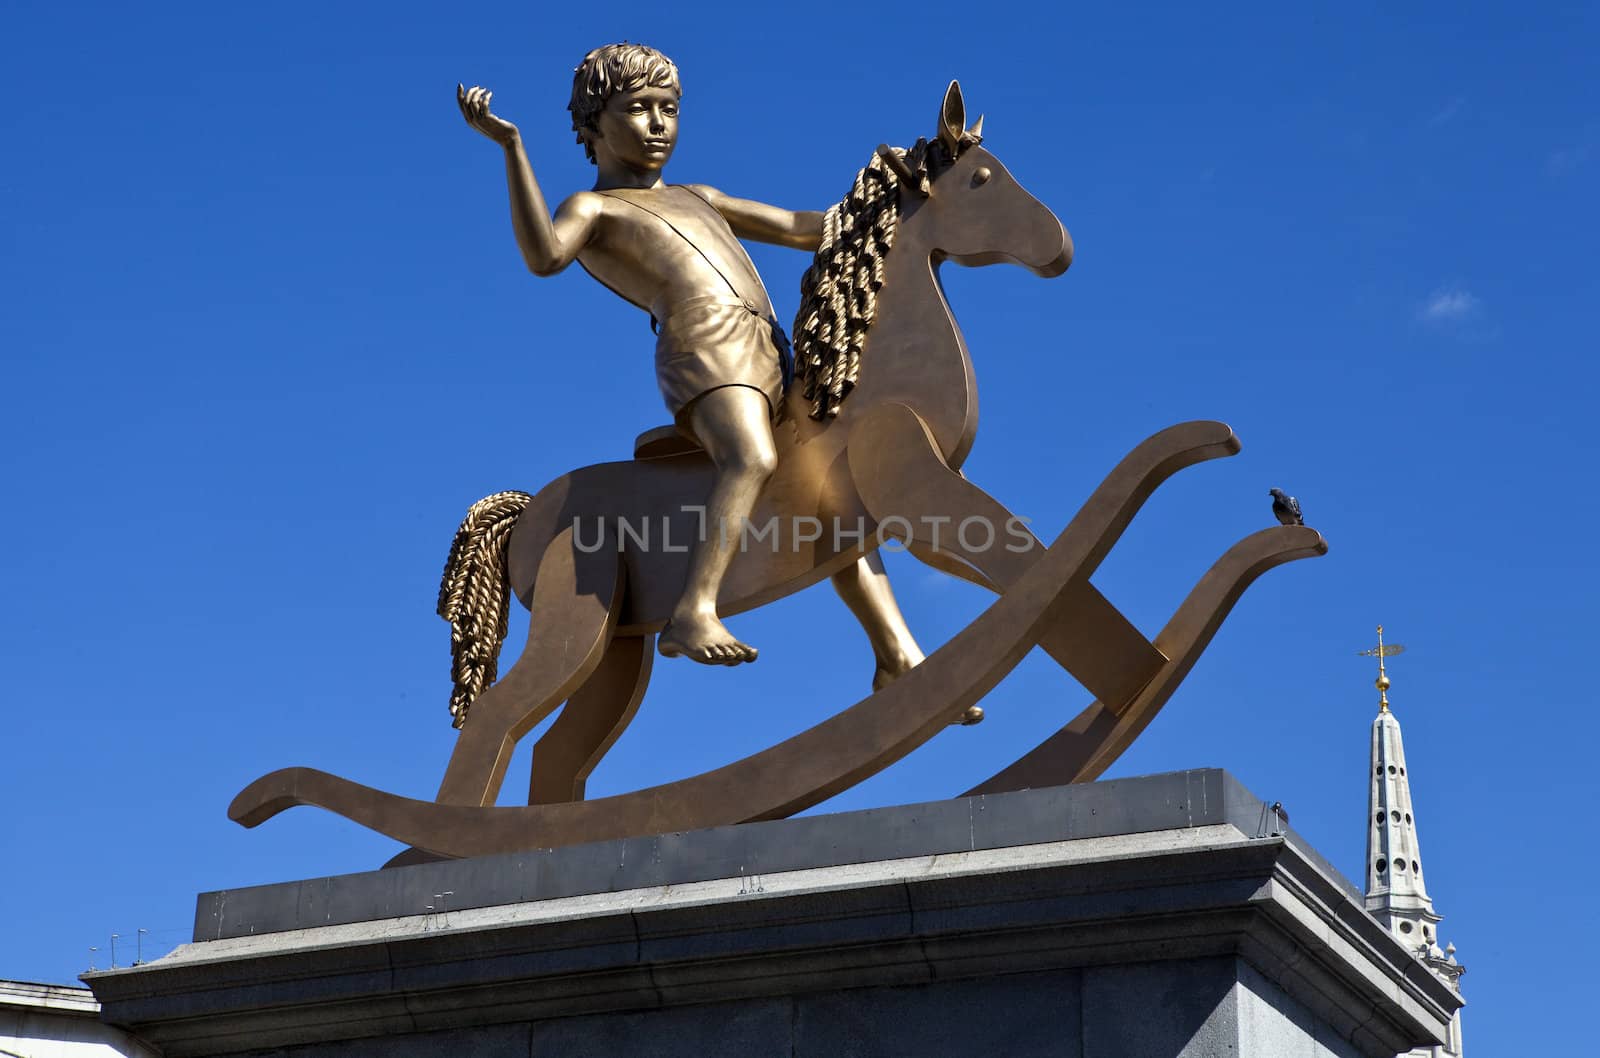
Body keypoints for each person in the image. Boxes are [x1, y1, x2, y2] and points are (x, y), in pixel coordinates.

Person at [457, 43, 930, 690]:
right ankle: (692, 611)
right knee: (751, 460)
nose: (658, 125)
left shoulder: (699, 196)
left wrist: (893, 201)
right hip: (703, 346)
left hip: (768, 346)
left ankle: (897, 653)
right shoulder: (592, 209)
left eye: (669, 109)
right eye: (639, 110)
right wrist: (512, 148)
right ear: (594, 124)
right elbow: (543, 256)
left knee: (834, 492)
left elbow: (801, 227)